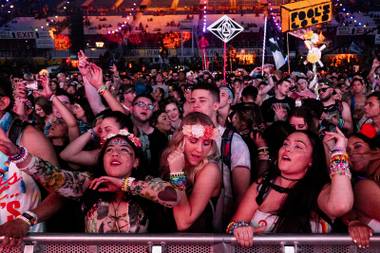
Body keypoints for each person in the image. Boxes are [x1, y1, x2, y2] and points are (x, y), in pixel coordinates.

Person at [0, 128, 182, 233]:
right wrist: (17, 154)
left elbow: (173, 197)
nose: (115, 153)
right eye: (109, 150)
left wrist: (123, 184)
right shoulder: (89, 182)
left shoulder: (148, 183)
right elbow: (55, 178)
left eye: (124, 150)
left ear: (136, 162)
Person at [229, 129, 353, 247]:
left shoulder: (320, 189)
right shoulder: (263, 185)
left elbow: (341, 206)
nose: (287, 149)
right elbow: (232, 225)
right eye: (285, 144)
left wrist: (339, 152)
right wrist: (241, 230)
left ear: (311, 160)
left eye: (298, 146)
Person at [190, 82, 251, 231]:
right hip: (190, 220)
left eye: (202, 101)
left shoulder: (232, 141)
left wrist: (233, 228)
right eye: (193, 101)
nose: (196, 105)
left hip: (219, 226)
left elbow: (242, 193)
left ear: (216, 106)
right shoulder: (185, 137)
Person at [158, 112, 221, 232]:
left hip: (196, 245)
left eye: (206, 143)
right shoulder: (169, 161)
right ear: (180, 139)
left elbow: (183, 223)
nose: (199, 149)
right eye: (193, 141)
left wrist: (176, 174)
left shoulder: (210, 170)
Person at [344, 128, 380, 248]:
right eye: (347, 150)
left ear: (376, 151)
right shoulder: (360, 187)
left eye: (358, 146)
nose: (351, 153)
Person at [131, 95, 168, 177]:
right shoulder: (125, 132)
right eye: (140, 104)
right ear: (131, 108)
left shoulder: (161, 137)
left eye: (150, 106)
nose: (145, 108)